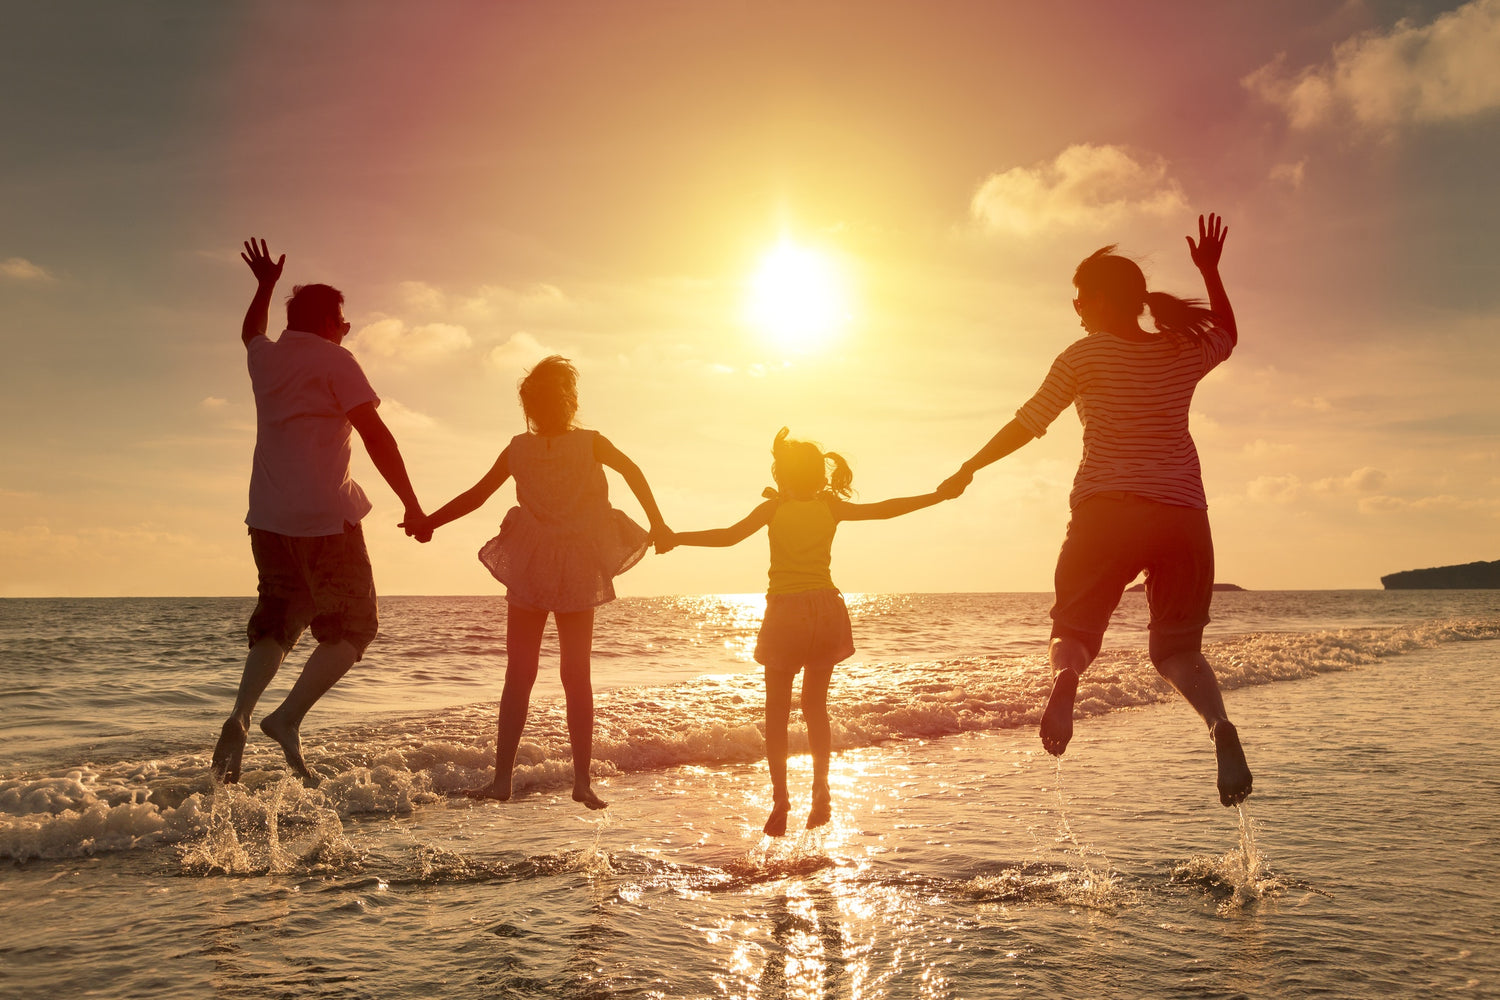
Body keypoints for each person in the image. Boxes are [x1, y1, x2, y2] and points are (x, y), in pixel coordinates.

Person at [940, 214, 1252, 807]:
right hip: (1183, 516)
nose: (1075, 309)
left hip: (1107, 512)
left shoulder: (1083, 356)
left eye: (1079, 298)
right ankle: (1219, 726)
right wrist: (1211, 273)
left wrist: (971, 466)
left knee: (1074, 631)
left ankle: (1066, 681)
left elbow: (1028, 423)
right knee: (1177, 652)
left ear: (1102, 300)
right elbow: (1229, 335)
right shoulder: (1181, 350)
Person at [656, 429, 956, 836]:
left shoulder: (773, 509)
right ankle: (821, 789)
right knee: (815, 707)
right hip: (826, 611)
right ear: (818, 476)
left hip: (786, 613)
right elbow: (886, 509)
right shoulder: (830, 506)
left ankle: (781, 797)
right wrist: (938, 496)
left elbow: (727, 537)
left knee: (777, 713)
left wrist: (674, 538)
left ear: (782, 475)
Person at [402, 356, 668, 810]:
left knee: (519, 674)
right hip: (577, 563)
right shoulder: (589, 442)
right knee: (575, 675)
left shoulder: (517, 448)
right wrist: (658, 524)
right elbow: (634, 472)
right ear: (570, 402)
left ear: (529, 406)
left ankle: (502, 779)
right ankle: (581, 781)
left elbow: (476, 495)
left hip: (531, 562)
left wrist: (430, 521)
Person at [211, 239, 426, 788]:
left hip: (267, 515)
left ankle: (239, 711)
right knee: (356, 626)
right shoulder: (337, 360)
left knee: (280, 620)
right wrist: (412, 503)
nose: (347, 327)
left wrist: (262, 286)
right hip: (326, 519)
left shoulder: (268, 357)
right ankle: (286, 718)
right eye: (344, 319)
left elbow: (249, 332)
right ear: (332, 321)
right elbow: (377, 436)